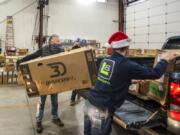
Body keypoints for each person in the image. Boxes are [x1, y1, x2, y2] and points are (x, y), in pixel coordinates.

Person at [84, 31, 179, 135]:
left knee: (88, 133)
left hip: (90, 103)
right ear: (125, 47)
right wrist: (164, 60)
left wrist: (131, 80)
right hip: (100, 110)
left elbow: (110, 79)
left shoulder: (106, 60)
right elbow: (155, 73)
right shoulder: (126, 64)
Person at [17, 34, 64, 133]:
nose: (59, 43)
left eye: (59, 41)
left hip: (55, 80)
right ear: (51, 41)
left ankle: (55, 117)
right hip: (44, 80)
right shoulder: (44, 49)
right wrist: (22, 60)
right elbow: (33, 55)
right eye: (57, 41)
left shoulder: (62, 51)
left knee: (55, 101)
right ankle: (38, 120)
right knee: (41, 102)